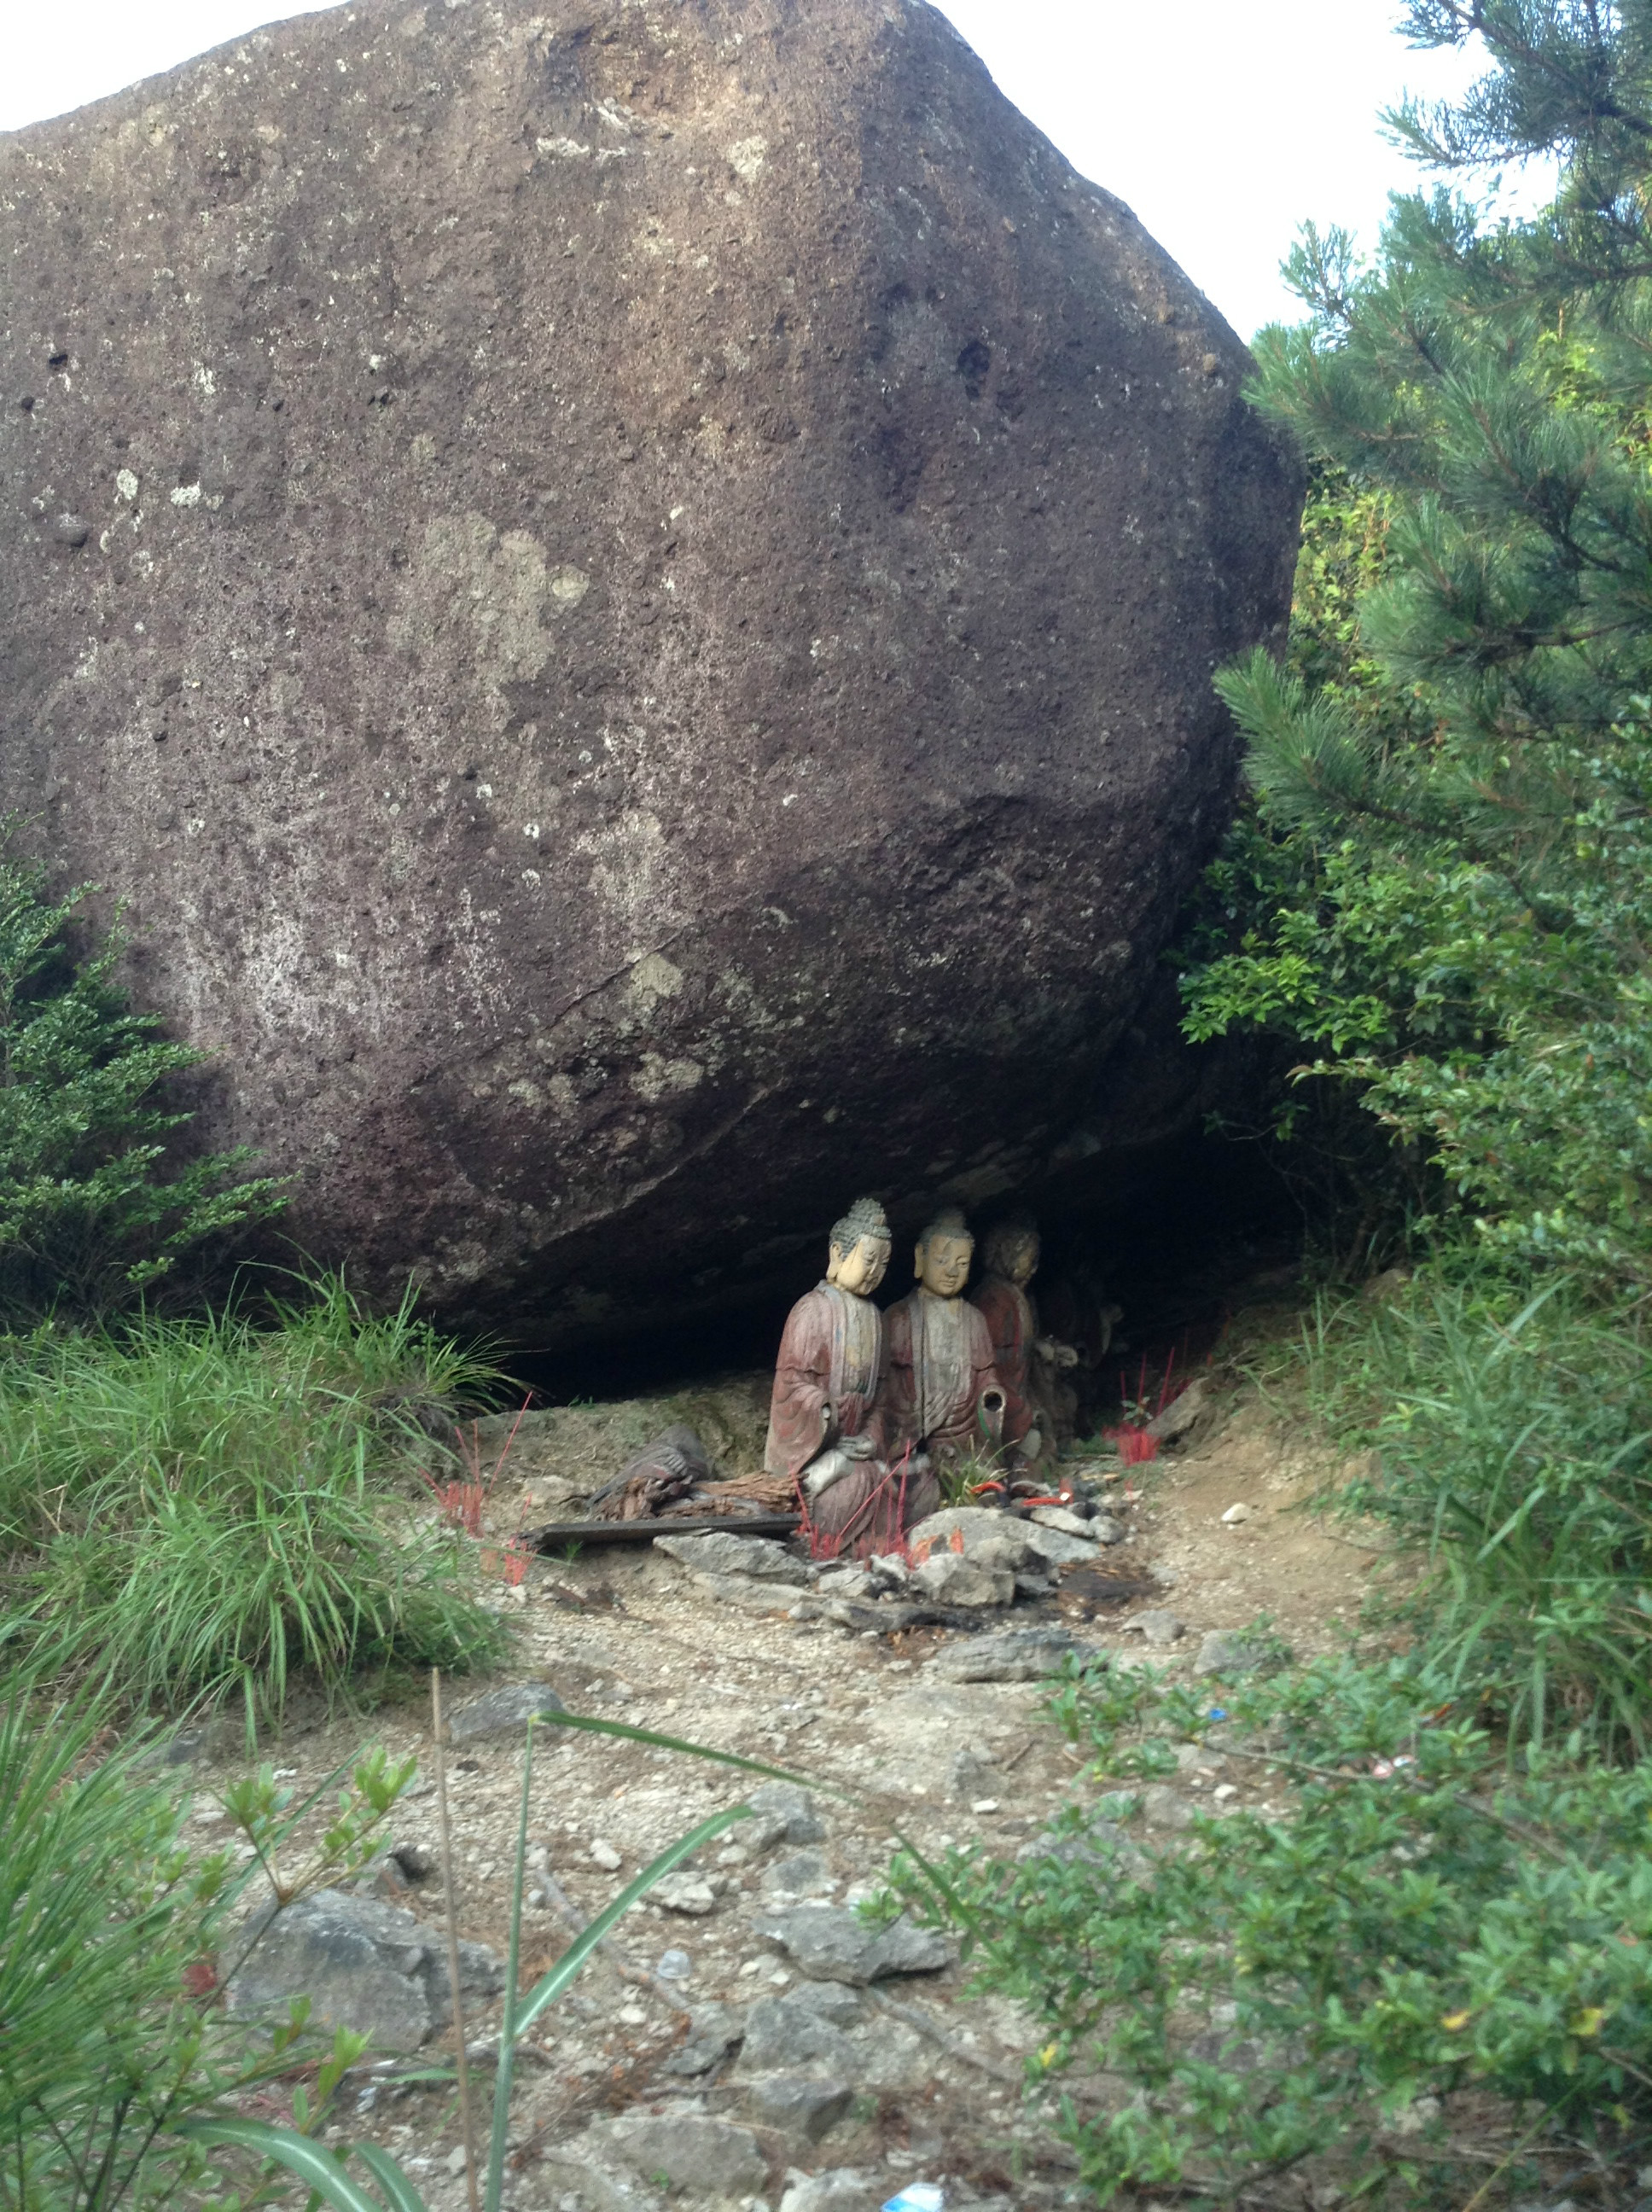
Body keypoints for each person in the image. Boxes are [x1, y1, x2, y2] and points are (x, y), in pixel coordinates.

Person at [764, 1196, 928, 1552]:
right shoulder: (812, 1310)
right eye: (869, 1260)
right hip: (819, 1447)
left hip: (857, 1447)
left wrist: (871, 1435)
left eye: (883, 1265)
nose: (875, 1272)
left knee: (905, 1482)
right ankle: (826, 1540)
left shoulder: (876, 1319)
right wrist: (826, 1416)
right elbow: (790, 1386)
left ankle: (871, 1548)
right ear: (838, 1254)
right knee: (857, 1484)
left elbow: (880, 1397)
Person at [881, 1207, 1005, 1473]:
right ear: (919, 1258)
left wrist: (991, 1397)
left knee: (988, 1477)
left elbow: (986, 1377)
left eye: (962, 1264)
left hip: (963, 1436)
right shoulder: (898, 1317)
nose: (951, 1271)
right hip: (912, 1437)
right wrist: (909, 1423)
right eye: (941, 1261)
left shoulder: (974, 1319)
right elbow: (884, 1389)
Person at [969, 1213, 1079, 1478]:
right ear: (1006, 1255)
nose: (1033, 1267)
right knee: (1030, 1434)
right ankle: (1020, 1471)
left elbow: (1023, 1344)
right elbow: (987, 1357)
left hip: (1022, 1384)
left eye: (1035, 1260)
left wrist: (1044, 1348)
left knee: (1057, 1410)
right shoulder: (992, 1298)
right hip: (1002, 1389)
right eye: (1027, 1259)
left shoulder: (1018, 1296)